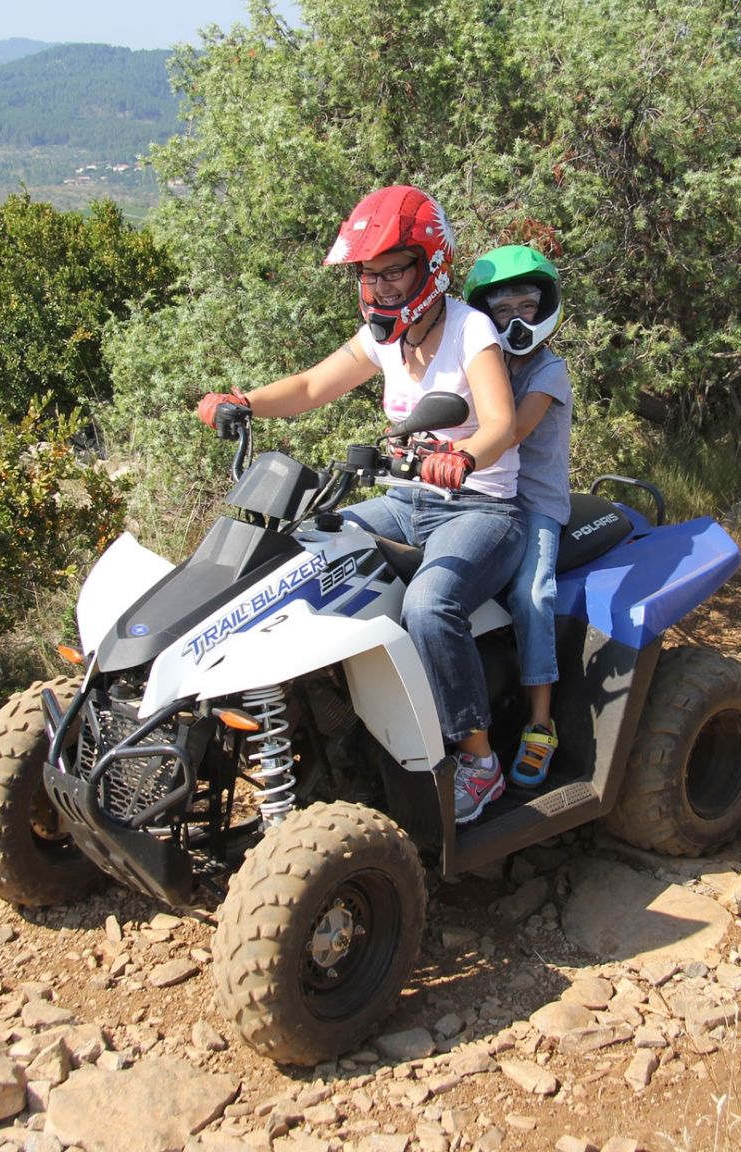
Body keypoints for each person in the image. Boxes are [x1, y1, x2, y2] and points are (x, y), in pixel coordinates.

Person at [196, 185, 522, 825]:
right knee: (308, 550)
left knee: (431, 604)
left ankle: (480, 764)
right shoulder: (385, 338)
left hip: (482, 510)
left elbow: (503, 422)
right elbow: (315, 384)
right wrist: (245, 401)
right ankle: (323, 732)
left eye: (393, 269)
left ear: (429, 263)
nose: (379, 285)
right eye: (368, 273)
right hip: (407, 502)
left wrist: (465, 457)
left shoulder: (469, 328)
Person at [463, 245, 571, 789]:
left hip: (534, 506)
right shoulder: (485, 363)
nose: (515, 320)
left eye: (526, 306)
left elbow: (512, 429)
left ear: (546, 307)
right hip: (483, 496)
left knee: (533, 595)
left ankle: (540, 723)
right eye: (501, 311)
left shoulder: (550, 370)